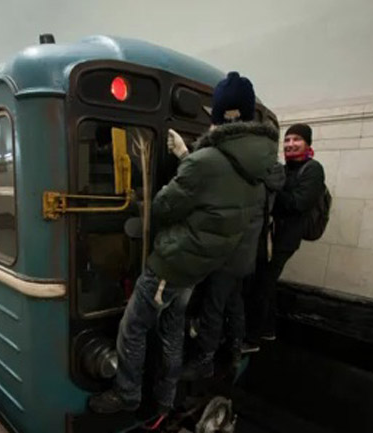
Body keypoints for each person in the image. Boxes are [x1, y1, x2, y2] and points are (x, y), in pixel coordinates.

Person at [89, 72, 278, 415]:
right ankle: (165, 396)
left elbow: (163, 207)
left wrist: (156, 189)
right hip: (201, 266)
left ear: (218, 117)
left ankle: (128, 394)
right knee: (172, 327)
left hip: (172, 264)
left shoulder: (205, 161)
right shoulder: (258, 164)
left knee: (132, 328)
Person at [181, 133, 284, 380]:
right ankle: (235, 349)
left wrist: (186, 156)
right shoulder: (269, 175)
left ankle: (204, 359)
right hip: (246, 253)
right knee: (234, 301)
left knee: (213, 306)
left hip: (229, 251)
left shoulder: (248, 177)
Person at [250, 123, 325, 347]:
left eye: (297, 140)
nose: (291, 144)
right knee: (267, 283)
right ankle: (268, 329)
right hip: (272, 235)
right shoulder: (285, 168)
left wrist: (271, 191)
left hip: (285, 239)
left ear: (307, 143)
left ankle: (251, 338)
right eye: (288, 139)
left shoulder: (313, 169)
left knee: (262, 285)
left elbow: (298, 203)